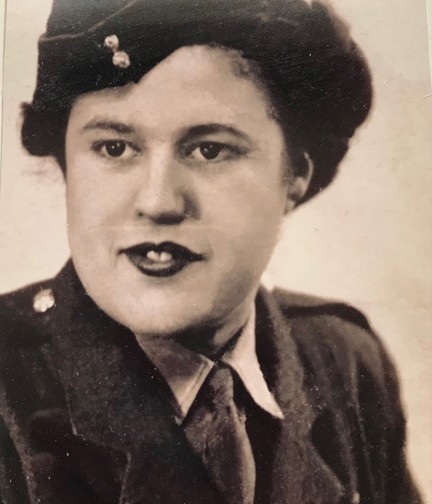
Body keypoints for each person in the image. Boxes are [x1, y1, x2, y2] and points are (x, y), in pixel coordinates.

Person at [0, 0, 423, 503]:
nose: (158, 202)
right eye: (115, 147)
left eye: (209, 149)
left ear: (295, 175)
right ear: (67, 163)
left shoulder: (345, 361)